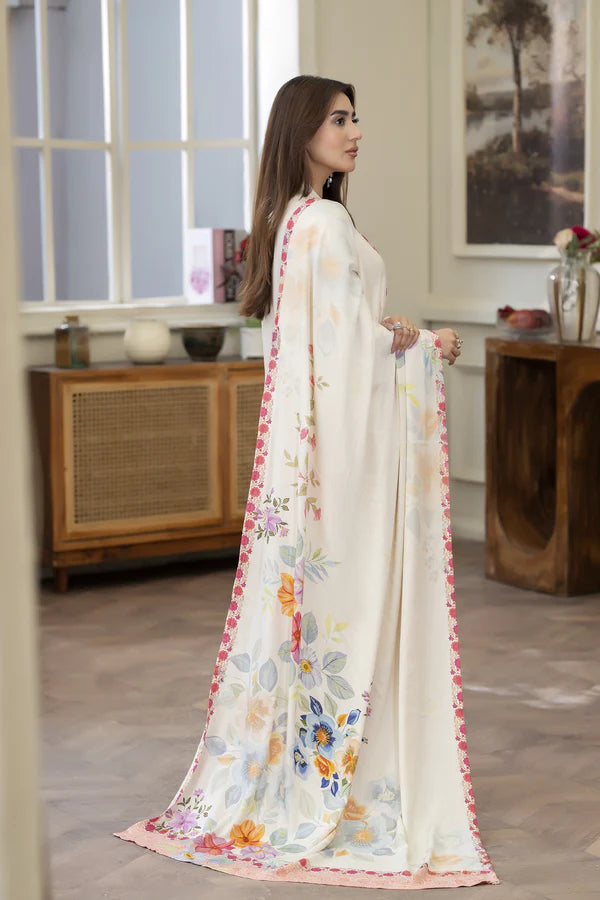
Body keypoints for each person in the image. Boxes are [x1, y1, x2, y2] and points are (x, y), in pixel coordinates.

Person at [115, 75, 498, 890]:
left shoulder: (294, 218)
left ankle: (307, 774)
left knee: (316, 622)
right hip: (343, 465)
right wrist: (427, 345)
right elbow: (351, 354)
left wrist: (391, 334)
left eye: (357, 118)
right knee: (348, 613)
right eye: (338, 119)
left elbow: (340, 339)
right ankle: (344, 787)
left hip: (312, 463)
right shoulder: (321, 221)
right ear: (303, 130)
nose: (355, 132)